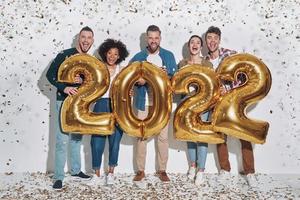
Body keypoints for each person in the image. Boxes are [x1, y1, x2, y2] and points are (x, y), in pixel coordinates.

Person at [204, 26, 257, 187]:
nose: (212, 41)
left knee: (244, 136)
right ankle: (225, 170)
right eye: (209, 38)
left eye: (215, 38)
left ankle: (250, 173)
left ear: (219, 40)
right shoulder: (204, 61)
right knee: (220, 137)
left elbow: (244, 73)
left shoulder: (230, 55)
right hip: (216, 104)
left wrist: (230, 89)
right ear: (206, 41)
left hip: (234, 102)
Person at [46, 26, 94, 189]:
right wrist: (64, 87)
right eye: (83, 37)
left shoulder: (90, 60)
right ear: (78, 39)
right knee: (61, 140)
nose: (86, 40)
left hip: (80, 104)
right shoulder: (64, 54)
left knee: (76, 139)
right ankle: (58, 177)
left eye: (89, 38)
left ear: (92, 41)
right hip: (64, 102)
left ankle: (75, 171)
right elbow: (49, 75)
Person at [130, 25, 177, 182]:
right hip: (143, 102)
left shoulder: (169, 56)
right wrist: (138, 81)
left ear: (160, 39)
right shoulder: (138, 57)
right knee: (142, 135)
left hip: (162, 103)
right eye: (150, 38)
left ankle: (162, 170)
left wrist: (167, 76)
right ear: (146, 39)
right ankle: (140, 170)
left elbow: (176, 81)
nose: (153, 41)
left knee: (163, 137)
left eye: (156, 38)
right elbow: (128, 78)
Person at [89, 39, 129, 185]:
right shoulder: (98, 68)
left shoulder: (123, 70)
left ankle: (111, 173)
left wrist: (129, 93)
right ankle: (96, 174)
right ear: (105, 53)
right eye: (109, 53)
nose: (112, 56)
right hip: (100, 104)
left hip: (117, 106)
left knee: (115, 140)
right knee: (97, 141)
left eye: (115, 54)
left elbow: (128, 87)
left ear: (119, 56)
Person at [178, 35, 213, 185]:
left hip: (203, 105)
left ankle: (201, 170)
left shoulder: (208, 64)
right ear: (188, 46)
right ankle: (192, 166)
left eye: (198, 42)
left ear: (201, 47)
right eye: (192, 42)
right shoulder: (182, 63)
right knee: (190, 136)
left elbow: (212, 85)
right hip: (186, 104)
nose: (195, 44)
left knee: (201, 137)